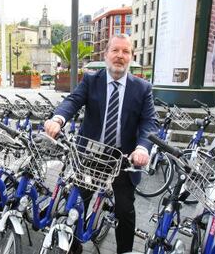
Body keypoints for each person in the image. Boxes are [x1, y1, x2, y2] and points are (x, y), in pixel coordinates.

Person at [44, 34, 157, 254]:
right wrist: (58, 119)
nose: (120, 56)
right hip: (91, 155)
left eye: (125, 52)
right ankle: (73, 246)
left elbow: (149, 122)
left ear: (131, 57)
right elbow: (73, 101)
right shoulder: (91, 80)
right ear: (106, 54)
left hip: (123, 159)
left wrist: (142, 148)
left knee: (125, 209)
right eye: (115, 50)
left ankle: (123, 251)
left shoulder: (142, 88)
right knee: (77, 201)